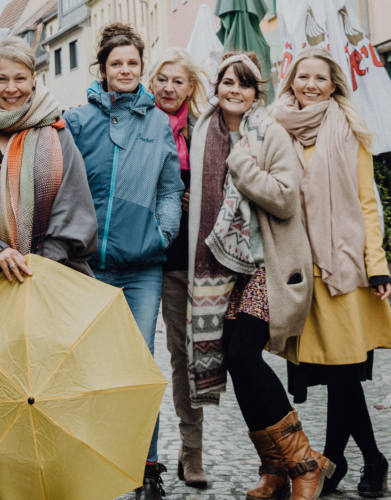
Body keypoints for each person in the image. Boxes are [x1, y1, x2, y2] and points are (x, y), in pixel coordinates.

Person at [187, 50, 333, 500]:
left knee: (244, 356)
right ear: (217, 86)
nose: (234, 90)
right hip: (220, 269)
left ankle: (307, 462)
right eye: (227, 82)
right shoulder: (202, 131)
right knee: (235, 360)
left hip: (266, 265)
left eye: (245, 83)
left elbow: (287, 199)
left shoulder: (270, 133)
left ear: (256, 92)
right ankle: (273, 466)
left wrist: (243, 168)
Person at [272, 47, 391, 499]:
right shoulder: (275, 127)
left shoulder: (349, 129)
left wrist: (377, 263)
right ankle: (351, 459)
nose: (310, 85)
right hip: (298, 269)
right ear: (291, 81)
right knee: (328, 372)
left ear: (334, 86)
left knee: (344, 371)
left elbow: (367, 202)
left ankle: (350, 460)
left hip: (343, 267)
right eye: (303, 77)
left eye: (320, 79)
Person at [62, 23, 182, 500]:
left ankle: (146, 465)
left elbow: (170, 188)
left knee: (138, 365)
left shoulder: (157, 122)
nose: (126, 70)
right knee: (89, 367)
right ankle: (93, 459)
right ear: (104, 69)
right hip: (89, 266)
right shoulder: (76, 121)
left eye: (133, 63)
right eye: (117, 64)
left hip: (141, 267)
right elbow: (62, 187)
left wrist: (163, 231)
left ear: (141, 67)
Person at [0, 34, 97, 354]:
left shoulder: (58, 134)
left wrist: (36, 268)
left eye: (20, 78)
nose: (11, 88)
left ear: (33, 80)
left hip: (45, 281)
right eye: (2, 79)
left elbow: (74, 211)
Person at [147, 46, 210, 489]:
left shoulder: (205, 131)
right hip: (153, 256)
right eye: (162, 79)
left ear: (191, 87)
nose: (169, 88)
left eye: (178, 81)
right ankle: (140, 454)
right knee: (157, 355)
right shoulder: (141, 125)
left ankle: (192, 453)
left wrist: (199, 196)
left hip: (197, 260)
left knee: (191, 358)